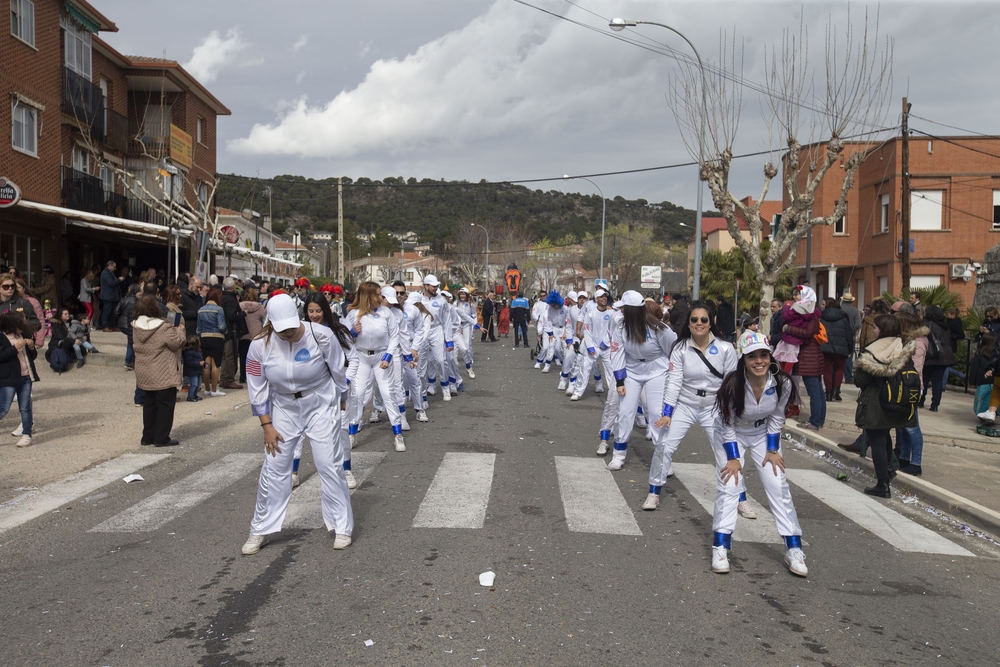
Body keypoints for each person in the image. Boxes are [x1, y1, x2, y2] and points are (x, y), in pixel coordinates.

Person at [242, 293, 353, 555]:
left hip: (320, 402)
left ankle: (342, 526)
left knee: (328, 464)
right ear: (271, 324)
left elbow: (338, 369)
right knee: (275, 466)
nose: (289, 334)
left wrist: (343, 398)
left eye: (292, 328)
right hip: (283, 407)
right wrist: (267, 426)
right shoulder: (259, 345)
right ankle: (261, 529)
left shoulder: (321, 335)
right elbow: (256, 388)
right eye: (283, 331)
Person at [710, 330, 807, 576]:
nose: (759, 361)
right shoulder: (732, 384)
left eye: (764, 355)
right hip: (732, 434)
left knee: (778, 484)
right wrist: (733, 457)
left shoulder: (782, 383)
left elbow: (776, 417)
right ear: (743, 358)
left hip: (763, 434)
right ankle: (721, 545)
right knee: (730, 485)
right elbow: (726, 424)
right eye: (752, 356)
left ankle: (793, 547)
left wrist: (773, 449)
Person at [649, 300, 738, 510]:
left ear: (711, 322)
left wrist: (730, 412)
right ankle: (654, 491)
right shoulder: (680, 348)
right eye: (694, 320)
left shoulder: (726, 348)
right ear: (688, 324)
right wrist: (668, 412)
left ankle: (738, 497)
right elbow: (674, 381)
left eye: (704, 320)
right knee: (664, 446)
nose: (699, 323)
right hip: (685, 404)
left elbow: (732, 383)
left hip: (714, 406)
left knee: (726, 453)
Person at [605, 290, 677, 478]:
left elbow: (673, 351)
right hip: (632, 370)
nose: (621, 311)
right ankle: (619, 455)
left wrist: (673, 376)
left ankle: (663, 459)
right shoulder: (621, 326)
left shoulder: (659, 328)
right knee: (625, 412)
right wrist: (620, 380)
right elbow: (617, 352)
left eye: (625, 308)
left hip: (657, 370)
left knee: (655, 414)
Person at [853, 313, 917, 497]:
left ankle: (882, 483)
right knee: (885, 435)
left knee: (877, 439)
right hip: (894, 401)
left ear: (883, 329)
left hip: (876, 401)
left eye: (875, 327)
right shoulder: (901, 346)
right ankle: (888, 472)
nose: (872, 330)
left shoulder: (874, 349)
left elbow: (861, 379)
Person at [344, 282, 406, 452]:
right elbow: (345, 340)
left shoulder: (387, 313)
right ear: (367, 296)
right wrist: (353, 332)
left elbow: (394, 337)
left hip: (381, 358)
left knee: (388, 393)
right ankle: (352, 433)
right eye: (377, 295)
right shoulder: (353, 314)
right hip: (361, 358)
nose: (381, 298)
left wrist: (388, 356)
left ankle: (398, 434)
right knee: (358, 395)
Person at [132, 295, 185, 447]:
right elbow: (176, 343)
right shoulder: (162, 327)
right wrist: (180, 331)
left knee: (150, 405)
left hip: (145, 370)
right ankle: (161, 438)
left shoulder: (135, 326)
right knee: (165, 406)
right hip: (162, 370)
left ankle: (147, 436)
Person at [895, 311, 929, 476]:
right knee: (903, 425)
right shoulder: (908, 342)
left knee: (912, 427)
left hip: (912, 388)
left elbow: (913, 369)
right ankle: (904, 457)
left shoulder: (917, 343)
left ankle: (916, 463)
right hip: (906, 386)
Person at [0, 312, 36, 447]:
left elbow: (32, 356)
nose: (24, 325)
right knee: (3, 408)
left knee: (26, 408)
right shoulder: (1, 336)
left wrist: (31, 347)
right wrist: (15, 348)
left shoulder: (25, 335)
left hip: (26, 376)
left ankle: (27, 434)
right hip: (8, 378)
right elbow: (1, 356)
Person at [921, 305, 956, 412]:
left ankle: (921, 400)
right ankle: (935, 404)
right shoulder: (945, 326)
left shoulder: (927, 324)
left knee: (924, 379)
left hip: (930, 355)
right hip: (943, 356)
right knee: (938, 381)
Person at [820, 298, 854, 401]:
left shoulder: (822, 316)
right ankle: (836, 391)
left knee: (827, 369)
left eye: (823, 304)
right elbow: (849, 334)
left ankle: (828, 392)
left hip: (825, 346)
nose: (822, 306)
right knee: (839, 369)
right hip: (841, 346)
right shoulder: (843, 317)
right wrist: (849, 348)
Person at [197, 288, 228, 397]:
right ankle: (214, 390)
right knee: (216, 365)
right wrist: (225, 331)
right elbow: (221, 326)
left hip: (204, 338)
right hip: (217, 338)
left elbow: (198, 329)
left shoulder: (201, 310)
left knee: (206, 365)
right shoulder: (219, 309)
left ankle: (206, 389)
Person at [219, 277, 248, 390]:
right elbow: (231, 315)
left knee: (227, 355)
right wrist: (243, 314)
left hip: (227, 329)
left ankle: (224, 378)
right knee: (230, 355)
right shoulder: (230, 299)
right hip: (231, 330)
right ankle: (228, 379)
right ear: (232, 288)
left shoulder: (223, 297)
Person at [239, 288, 266, 385]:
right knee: (256, 357)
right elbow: (264, 318)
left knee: (243, 356)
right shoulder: (260, 307)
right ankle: (255, 375)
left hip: (244, 334)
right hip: (256, 335)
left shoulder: (240, 306)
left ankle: (243, 375)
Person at [942, 307, 967, 387]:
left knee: (945, 366)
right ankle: (962, 376)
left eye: (948, 314)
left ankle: (943, 385)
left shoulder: (955, 323)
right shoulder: (948, 321)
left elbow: (961, 335)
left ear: (953, 315)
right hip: (946, 345)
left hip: (950, 346)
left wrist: (951, 336)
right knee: (945, 366)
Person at [840, 292, 862, 382]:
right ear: (851, 301)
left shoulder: (839, 309)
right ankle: (848, 377)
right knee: (849, 358)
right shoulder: (855, 311)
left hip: (839, 336)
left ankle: (838, 376)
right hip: (850, 337)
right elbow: (858, 324)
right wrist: (853, 332)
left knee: (839, 358)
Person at [98, 260, 122, 331]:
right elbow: (111, 283)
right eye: (114, 267)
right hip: (108, 296)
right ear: (110, 266)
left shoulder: (110, 273)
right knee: (106, 311)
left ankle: (113, 325)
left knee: (113, 312)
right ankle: (104, 325)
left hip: (113, 296)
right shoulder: (105, 273)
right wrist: (119, 280)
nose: (115, 268)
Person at [182, 336, 205, 402]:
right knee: (194, 384)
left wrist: (204, 364)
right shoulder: (188, 352)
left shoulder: (199, 351)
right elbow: (189, 362)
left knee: (198, 384)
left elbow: (201, 360)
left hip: (198, 370)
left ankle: (195, 395)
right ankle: (190, 396)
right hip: (192, 371)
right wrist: (198, 363)